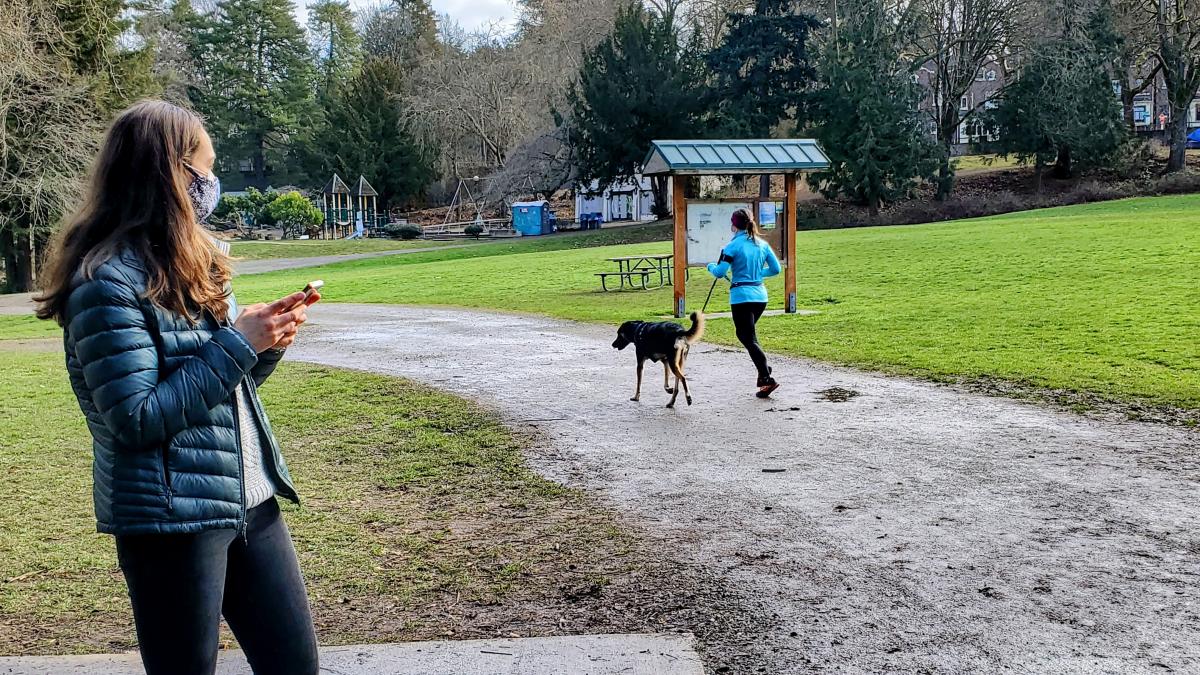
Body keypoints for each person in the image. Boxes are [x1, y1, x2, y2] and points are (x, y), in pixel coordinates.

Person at [34, 100, 321, 675]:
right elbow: (135, 418)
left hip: (250, 500)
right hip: (171, 520)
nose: (212, 184)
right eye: (204, 170)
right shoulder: (104, 284)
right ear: (169, 175)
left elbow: (220, 386)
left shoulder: (196, 261)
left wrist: (265, 342)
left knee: (295, 666)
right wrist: (238, 344)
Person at [706, 208, 782, 398]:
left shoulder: (732, 246)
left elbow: (720, 272)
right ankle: (762, 368)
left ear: (733, 225)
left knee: (747, 337)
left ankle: (766, 376)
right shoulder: (762, 244)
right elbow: (775, 269)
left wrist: (710, 266)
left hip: (741, 297)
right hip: (760, 296)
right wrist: (757, 274)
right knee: (749, 336)